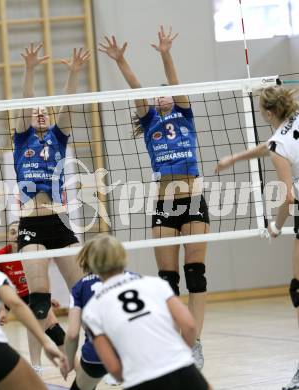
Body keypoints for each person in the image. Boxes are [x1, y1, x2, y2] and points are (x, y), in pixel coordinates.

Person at [99, 26, 209, 368]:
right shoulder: (149, 123)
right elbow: (136, 89)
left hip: (192, 197)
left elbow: (175, 85)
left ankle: (194, 342)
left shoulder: (184, 113)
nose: (162, 96)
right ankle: (171, 340)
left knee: (196, 274)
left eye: (166, 94)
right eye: (158, 95)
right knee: (168, 280)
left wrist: (165, 53)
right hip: (163, 202)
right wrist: (121, 61)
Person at [214, 85, 299, 390]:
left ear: (265, 112)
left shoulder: (279, 143)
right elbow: (272, 145)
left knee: (298, 291)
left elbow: (288, 197)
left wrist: (275, 226)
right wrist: (234, 158)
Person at [14, 43, 89, 372]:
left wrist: (73, 74)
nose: (40, 112)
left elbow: (68, 107)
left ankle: (88, 356)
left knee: (85, 292)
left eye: (44, 109)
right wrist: (29, 69)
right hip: (31, 224)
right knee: (39, 300)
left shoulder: (58, 137)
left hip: (59, 222)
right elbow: (23, 104)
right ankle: (36, 365)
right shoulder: (21, 139)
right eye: (36, 110)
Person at [82, 234, 212, 390]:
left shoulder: (92, 309)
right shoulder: (155, 284)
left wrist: (131, 375)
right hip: (179, 367)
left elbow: (114, 368)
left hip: (139, 380)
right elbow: (190, 326)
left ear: (91, 264)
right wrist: (181, 355)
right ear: (124, 256)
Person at [0, 220, 66, 375]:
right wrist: (2, 308)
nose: (15, 236)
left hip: (31, 296)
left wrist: (48, 298)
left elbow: (42, 278)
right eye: (12, 232)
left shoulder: (31, 252)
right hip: (11, 297)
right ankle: (36, 364)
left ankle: (65, 359)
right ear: (8, 235)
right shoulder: (0, 257)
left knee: (54, 329)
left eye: (18, 232)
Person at [64, 248, 126, 389]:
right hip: (134, 350)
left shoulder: (80, 286)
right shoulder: (134, 278)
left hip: (96, 354)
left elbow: (72, 334)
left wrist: (68, 362)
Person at [0, 268, 67, 390]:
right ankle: (37, 365)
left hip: (36, 301)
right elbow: (16, 303)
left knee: (56, 332)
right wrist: (45, 343)